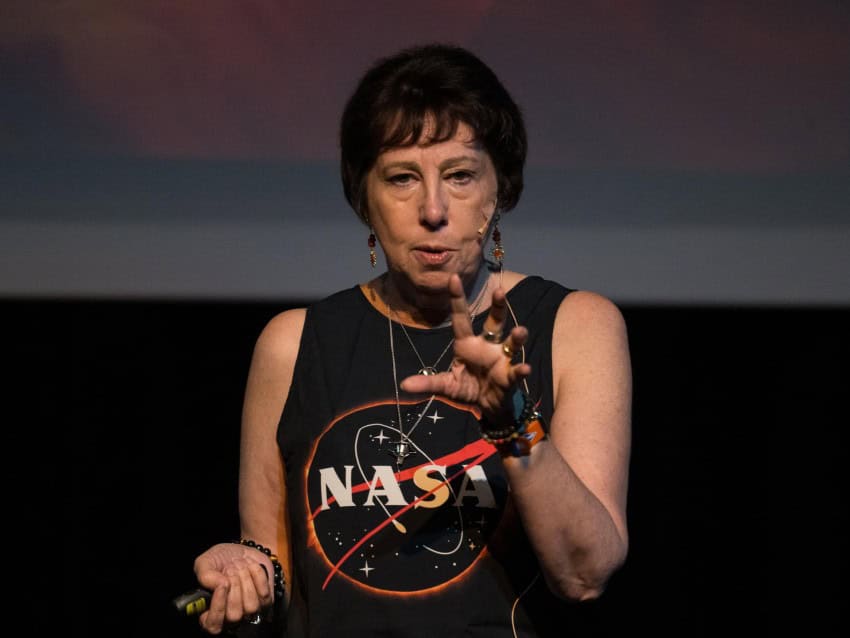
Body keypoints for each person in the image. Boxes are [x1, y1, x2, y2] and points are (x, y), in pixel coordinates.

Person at [190, 43, 631, 637]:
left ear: (499, 191)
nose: (432, 209)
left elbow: (585, 575)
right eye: (401, 178)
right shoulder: (293, 345)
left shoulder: (575, 325)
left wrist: (514, 425)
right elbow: (276, 570)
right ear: (363, 201)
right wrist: (248, 571)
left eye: (459, 175)